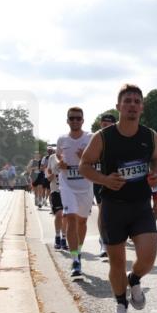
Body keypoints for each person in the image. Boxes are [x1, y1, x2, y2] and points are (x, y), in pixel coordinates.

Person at [80, 84, 157, 313]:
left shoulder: (150, 135)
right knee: (116, 262)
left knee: (147, 258)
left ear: (142, 108)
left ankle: (134, 278)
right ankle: (120, 306)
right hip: (113, 207)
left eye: (137, 101)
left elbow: (155, 158)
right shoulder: (103, 137)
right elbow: (85, 165)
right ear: (118, 107)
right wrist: (105, 180)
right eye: (127, 101)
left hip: (140, 205)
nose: (132, 105)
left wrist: (155, 172)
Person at [55, 107, 95, 278]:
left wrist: (85, 157)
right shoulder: (62, 139)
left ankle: (78, 251)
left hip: (85, 184)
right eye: (72, 118)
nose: (75, 121)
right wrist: (60, 163)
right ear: (67, 120)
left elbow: (99, 158)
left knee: (82, 222)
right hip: (67, 183)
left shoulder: (90, 138)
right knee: (70, 217)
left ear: (83, 121)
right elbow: (57, 156)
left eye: (78, 118)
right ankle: (75, 260)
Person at [92, 113, 117, 258]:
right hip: (100, 181)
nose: (105, 126)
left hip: (116, 180)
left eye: (108, 124)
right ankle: (103, 242)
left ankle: (115, 238)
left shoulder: (120, 139)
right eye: (103, 124)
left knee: (116, 212)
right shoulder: (95, 139)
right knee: (103, 211)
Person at [46, 151, 66, 250]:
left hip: (68, 191)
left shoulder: (70, 156)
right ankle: (57, 236)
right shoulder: (52, 158)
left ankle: (64, 238)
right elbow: (49, 177)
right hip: (55, 190)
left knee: (66, 216)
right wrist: (54, 172)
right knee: (59, 214)